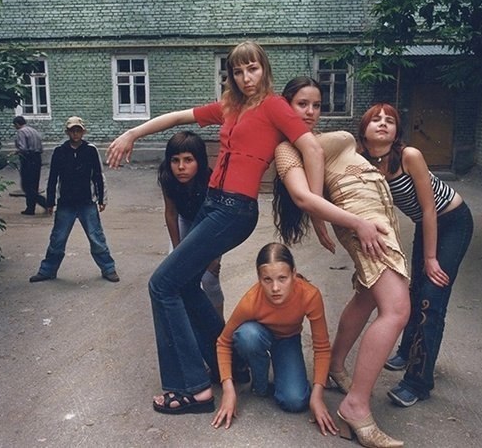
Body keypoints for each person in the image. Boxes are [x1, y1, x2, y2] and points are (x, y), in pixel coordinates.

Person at [106, 41, 326, 415]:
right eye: (238, 71)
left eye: (252, 68)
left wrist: (317, 211)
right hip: (213, 203)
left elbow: (314, 150)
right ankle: (232, 363)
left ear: (264, 69)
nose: (246, 77)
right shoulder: (230, 107)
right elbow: (178, 117)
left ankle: (193, 388)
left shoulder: (274, 106)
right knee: (183, 284)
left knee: (161, 284)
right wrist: (132, 134)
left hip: (235, 210)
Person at [273, 77, 410, 448]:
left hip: (379, 219)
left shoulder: (313, 141)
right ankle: (355, 407)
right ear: (285, 106)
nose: (311, 112)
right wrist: (352, 224)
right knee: (397, 309)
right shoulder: (287, 149)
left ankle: (335, 366)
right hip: (364, 222)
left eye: (317, 105)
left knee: (367, 296)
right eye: (302, 104)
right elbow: (304, 197)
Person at [358, 103, 474, 407]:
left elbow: (429, 209)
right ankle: (408, 350)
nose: (383, 123)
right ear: (364, 129)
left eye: (390, 120)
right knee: (415, 291)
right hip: (427, 225)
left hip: (452, 220)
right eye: (376, 119)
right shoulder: (363, 160)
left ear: (397, 131)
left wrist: (430, 258)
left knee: (432, 298)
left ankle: (418, 382)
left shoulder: (410, 156)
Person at [211, 242, 338, 436]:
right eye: (267, 280)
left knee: (295, 401)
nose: (275, 288)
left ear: (294, 274)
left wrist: (318, 395)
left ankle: (283, 369)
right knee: (247, 336)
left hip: (288, 339)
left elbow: (321, 347)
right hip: (258, 335)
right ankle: (259, 384)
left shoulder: (309, 295)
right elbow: (223, 342)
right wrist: (228, 390)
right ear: (259, 278)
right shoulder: (251, 300)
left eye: (282, 278)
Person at [29, 116, 119, 283]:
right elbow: (53, 178)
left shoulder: (90, 150)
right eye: (72, 131)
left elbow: (98, 175)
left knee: (96, 237)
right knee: (58, 238)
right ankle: (47, 271)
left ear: (83, 132)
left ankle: (108, 269)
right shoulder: (60, 151)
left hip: (87, 202)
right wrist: (50, 202)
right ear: (67, 132)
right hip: (66, 203)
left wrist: (102, 199)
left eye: (78, 130)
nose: (75, 133)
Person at [158, 131, 224, 318]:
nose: (181, 167)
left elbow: (218, 222)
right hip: (184, 221)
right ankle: (186, 322)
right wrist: (178, 250)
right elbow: (171, 213)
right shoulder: (167, 178)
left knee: (209, 278)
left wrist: (213, 258)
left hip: (209, 226)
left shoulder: (211, 182)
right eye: (175, 160)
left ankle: (220, 325)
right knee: (174, 275)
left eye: (188, 160)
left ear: (199, 161)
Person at [12, 116, 47, 215]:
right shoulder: (34, 131)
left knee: (27, 186)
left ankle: (44, 203)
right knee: (34, 184)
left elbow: (23, 148)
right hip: (37, 158)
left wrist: (16, 152)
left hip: (28, 159)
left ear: (17, 124)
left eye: (15, 125)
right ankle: (30, 208)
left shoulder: (21, 132)